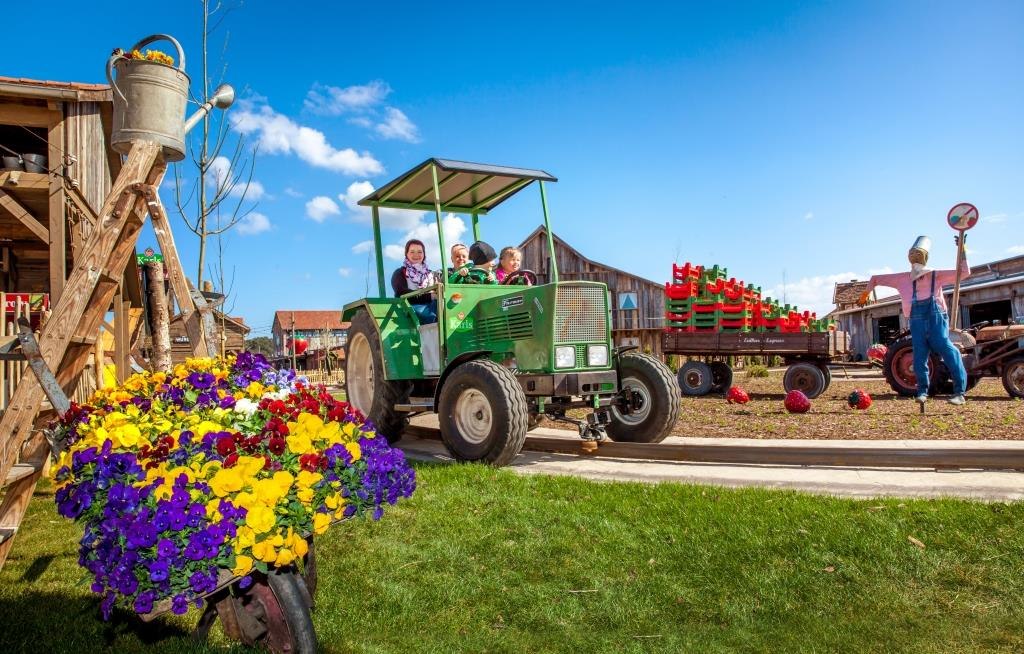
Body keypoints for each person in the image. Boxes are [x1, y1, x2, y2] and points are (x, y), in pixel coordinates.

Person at [859, 235, 970, 405]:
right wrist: (864, 295)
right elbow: (875, 278)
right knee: (919, 355)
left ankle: (959, 393)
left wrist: (962, 249)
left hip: (936, 318)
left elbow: (964, 273)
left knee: (947, 349)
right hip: (916, 321)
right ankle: (922, 392)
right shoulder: (902, 278)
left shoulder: (935, 275)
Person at [391, 239, 437, 324]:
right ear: (406, 254)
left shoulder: (431, 274)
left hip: (432, 307)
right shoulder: (400, 273)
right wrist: (430, 296)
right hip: (411, 309)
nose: (416, 255)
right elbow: (401, 293)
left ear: (424, 254)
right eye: (412, 252)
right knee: (431, 315)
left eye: (420, 252)